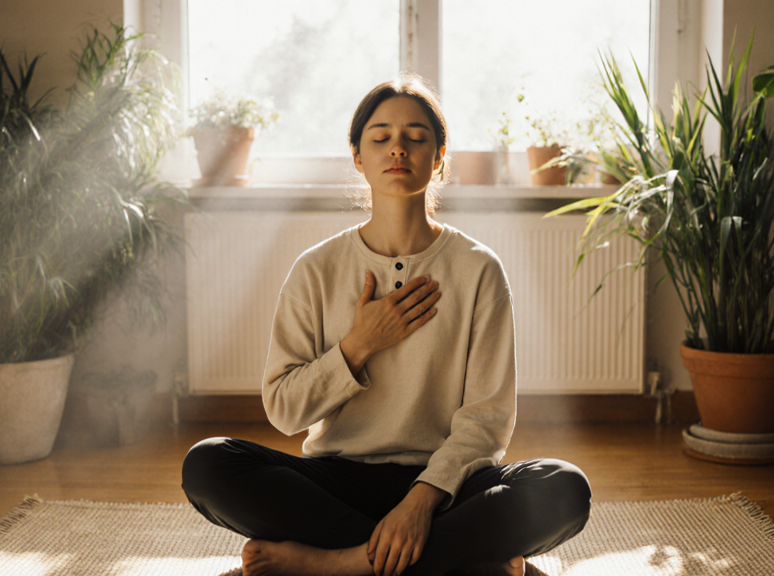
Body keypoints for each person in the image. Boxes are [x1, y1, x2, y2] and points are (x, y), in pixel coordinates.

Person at [182, 74, 591, 576]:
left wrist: (420, 502)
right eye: (380, 137)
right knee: (208, 463)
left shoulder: (479, 269)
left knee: (564, 486)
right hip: (336, 479)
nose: (398, 147)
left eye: (417, 137)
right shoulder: (316, 269)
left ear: (439, 157)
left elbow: (487, 419)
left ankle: (335, 565)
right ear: (358, 156)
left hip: (446, 485)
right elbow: (285, 410)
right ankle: (455, 563)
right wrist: (357, 346)